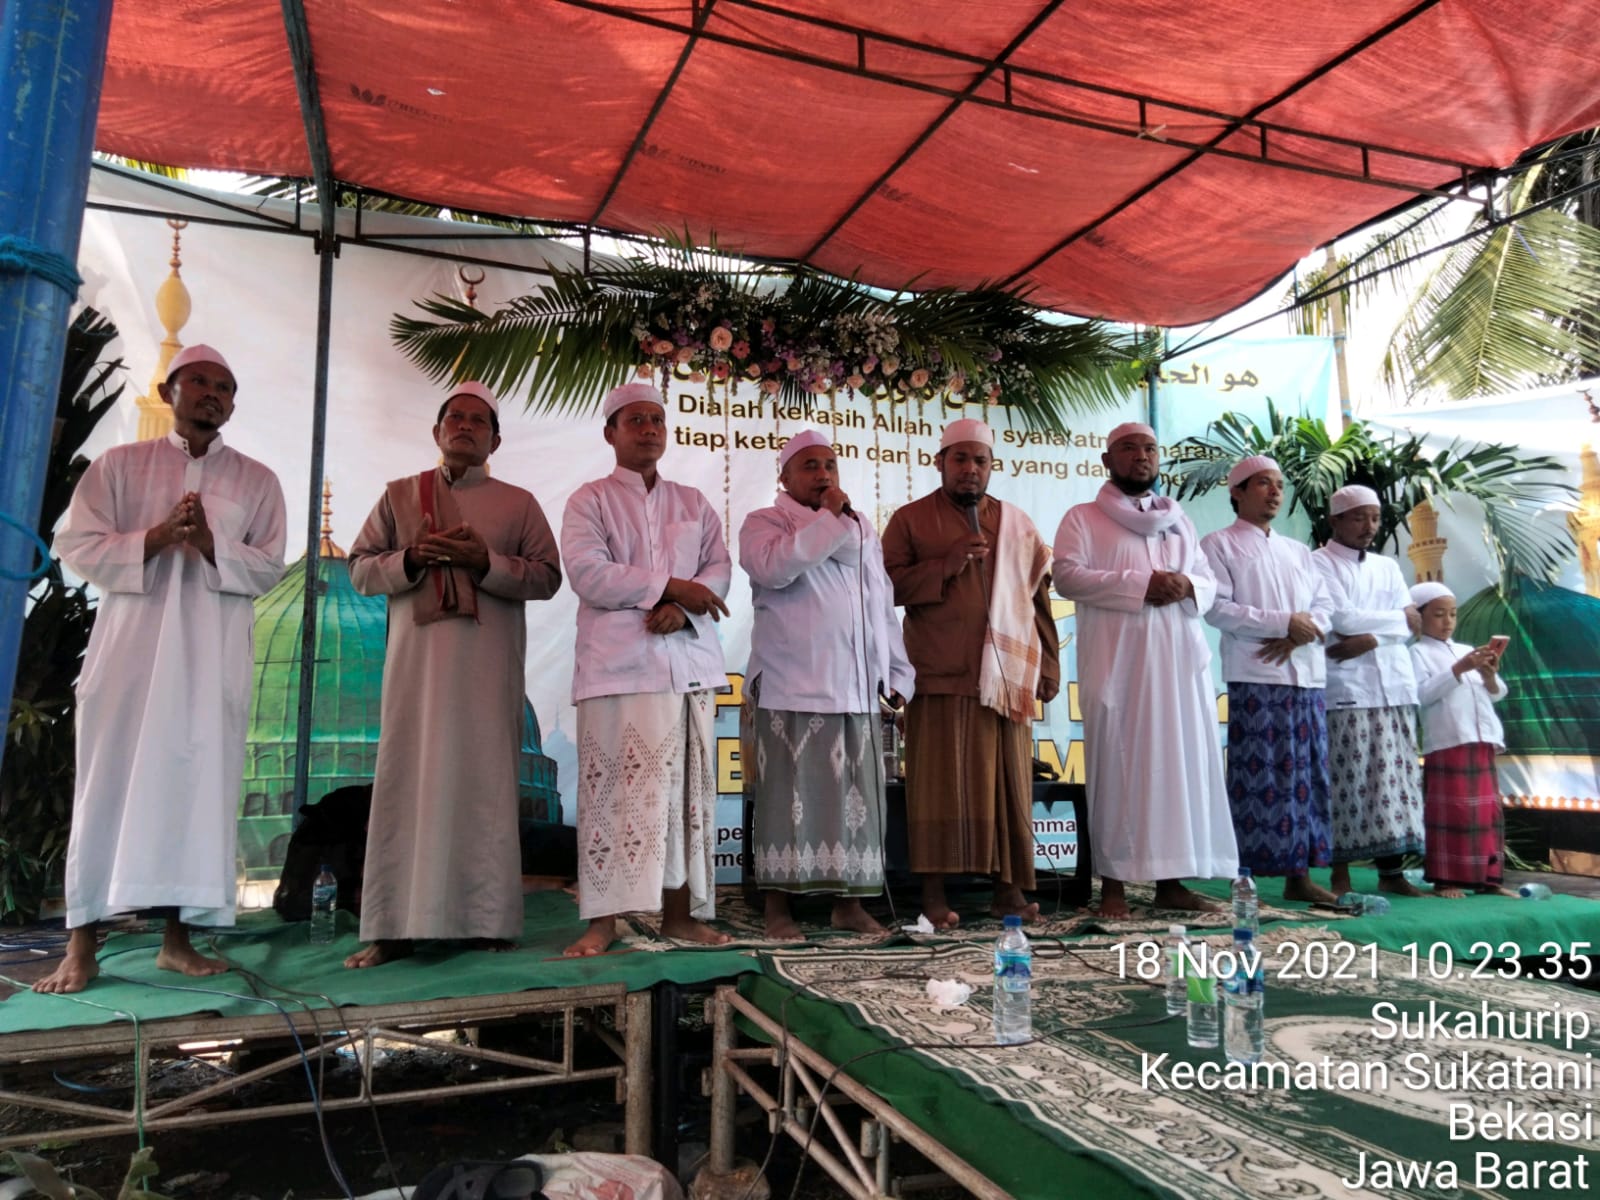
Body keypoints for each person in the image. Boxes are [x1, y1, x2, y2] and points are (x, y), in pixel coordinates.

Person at [35, 345, 287, 994]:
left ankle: (178, 942)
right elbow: (76, 546)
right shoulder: (119, 467)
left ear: (233, 402)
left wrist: (208, 543)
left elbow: (268, 567)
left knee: (194, 790)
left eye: (224, 386)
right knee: (108, 784)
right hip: (130, 657)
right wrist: (155, 537)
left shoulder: (257, 481)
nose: (212, 393)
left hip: (209, 659)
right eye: (198, 381)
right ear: (167, 389)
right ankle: (81, 947)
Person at [345, 381, 562, 968]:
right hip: (416, 671)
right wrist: (413, 558)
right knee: (406, 782)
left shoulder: (518, 504)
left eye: (478, 421)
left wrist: (482, 562)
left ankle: (486, 920)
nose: (465, 427)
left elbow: (546, 577)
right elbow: (360, 570)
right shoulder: (399, 496)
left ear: (496, 438)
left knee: (484, 784)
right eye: (455, 418)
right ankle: (392, 927)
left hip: (486, 668)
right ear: (437, 431)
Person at [561, 382, 734, 957]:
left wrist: (682, 606)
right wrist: (665, 587)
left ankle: (680, 917)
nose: (649, 428)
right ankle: (603, 922)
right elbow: (588, 572)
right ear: (611, 432)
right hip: (620, 671)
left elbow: (718, 567)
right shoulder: (590, 500)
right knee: (613, 797)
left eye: (657, 419)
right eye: (636, 420)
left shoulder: (693, 501)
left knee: (687, 799)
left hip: (686, 666)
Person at [1052, 423, 1236, 919]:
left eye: (1150, 448)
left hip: (1178, 664)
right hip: (1121, 666)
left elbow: (1211, 582)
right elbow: (1067, 576)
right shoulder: (1084, 518)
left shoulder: (1179, 521)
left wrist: (1186, 585)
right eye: (1129, 448)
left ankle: (1171, 883)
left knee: (1179, 768)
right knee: (1121, 767)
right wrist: (1141, 586)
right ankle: (1111, 887)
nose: (1142, 456)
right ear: (1107, 459)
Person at [880, 417, 1060, 928]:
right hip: (937, 673)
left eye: (980, 461)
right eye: (960, 459)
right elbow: (885, 589)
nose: (970, 470)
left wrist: (1048, 663)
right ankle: (933, 897)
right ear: (939, 463)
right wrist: (946, 564)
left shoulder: (1017, 524)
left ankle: (1008, 891)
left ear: (991, 467)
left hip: (1006, 681)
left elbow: (1039, 600)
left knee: (1008, 787)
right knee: (937, 789)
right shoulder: (910, 521)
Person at [739, 429, 915, 939]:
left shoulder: (860, 529)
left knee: (857, 801)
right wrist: (830, 519)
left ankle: (849, 903)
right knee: (784, 799)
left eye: (830, 466)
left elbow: (880, 605)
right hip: (792, 682)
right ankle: (778, 908)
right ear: (785, 477)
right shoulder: (766, 523)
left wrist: (898, 673)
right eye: (810, 466)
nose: (823, 475)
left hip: (856, 688)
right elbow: (774, 568)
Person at [1201, 455, 1337, 904]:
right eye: (1263, 484)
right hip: (1257, 676)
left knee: (1306, 774)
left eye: (1279, 484)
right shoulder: (1217, 544)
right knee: (1258, 776)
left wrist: (1300, 632)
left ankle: (1300, 876)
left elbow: (1324, 606)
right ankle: (1246, 878)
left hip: (1306, 677)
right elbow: (1218, 608)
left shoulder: (1298, 550)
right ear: (1237, 491)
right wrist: (1283, 624)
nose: (1275, 492)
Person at [1311, 485, 1425, 898]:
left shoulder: (1388, 567)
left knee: (1393, 783)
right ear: (1336, 520)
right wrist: (1394, 622)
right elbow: (1341, 618)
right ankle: (1339, 874)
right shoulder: (1318, 563)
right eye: (1359, 517)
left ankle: (1391, 873)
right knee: (1348, 779)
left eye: (1375, 518)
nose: (1369, 526)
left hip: (1392, 687)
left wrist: (1374, 638)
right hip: (1348, 690)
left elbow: (1412, 627)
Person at [1408, 582, 1514, 897]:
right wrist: (1458, 669)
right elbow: (1421, 695)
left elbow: (1497, 694)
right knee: (1452, 812)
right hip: (1448, 741)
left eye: (1452, 614)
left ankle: (1488, 879)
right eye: (1439, 614)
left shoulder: (1467, 650)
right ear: (1419, 617)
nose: (1448, 621)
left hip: (1481, 740)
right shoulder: (1417, 653)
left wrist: (1488, 675)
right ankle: (1446, 879)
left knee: (1485, 813)